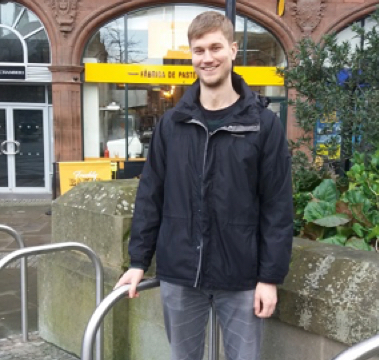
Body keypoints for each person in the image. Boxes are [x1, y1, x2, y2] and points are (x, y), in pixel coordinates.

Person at [115, 11, 293, 360]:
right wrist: (138, 261)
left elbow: (277, 206)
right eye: (199, 50)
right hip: (180, 273)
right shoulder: (173, 123)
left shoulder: (263, 124)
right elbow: (151, 194)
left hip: (241, 277)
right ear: (191, 55)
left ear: (232, 49)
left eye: (215, 47)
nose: (207, 58)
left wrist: (269, 278)